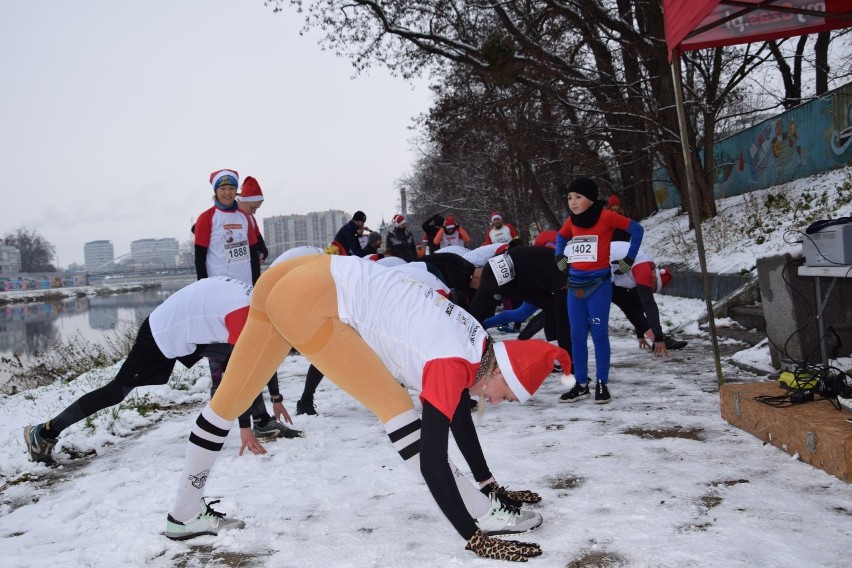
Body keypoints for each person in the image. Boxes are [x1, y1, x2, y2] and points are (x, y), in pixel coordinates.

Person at [166, 254, 571, 562]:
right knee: (397, 409)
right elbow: (431, 462)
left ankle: (184, 513)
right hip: (311, 294)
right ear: (500, 371)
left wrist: (489, 483)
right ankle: (484, 514)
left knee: (230, 400)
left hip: (300, 274)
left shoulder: (477, 343)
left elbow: (458, 417)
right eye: (507, 394)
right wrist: (476, 536)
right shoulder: (451, 364)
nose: (497, 402)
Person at [22, 277, 301, 465]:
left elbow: (261, 356)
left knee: (243, 356)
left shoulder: (259, 301)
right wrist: (243, 428)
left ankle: (263, 420)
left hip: (192, 331)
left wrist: (276, 397)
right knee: (117, 391)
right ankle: (45, 432)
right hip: (161, 332)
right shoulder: (244, 315)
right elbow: (244, 370)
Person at [194, 169, 293, 440]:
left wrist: (256, 288)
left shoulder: (244, 217)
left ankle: (256, 417)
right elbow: (199, 256)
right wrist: (204, 289)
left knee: (249, 353)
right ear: (215, 191)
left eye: (231, 188)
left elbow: (251, 254)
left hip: (244, 294)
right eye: (222, 188)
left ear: (236, 191)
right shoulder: (207, 218)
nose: (226, 192)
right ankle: (222, 415)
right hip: (217, 295)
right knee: (220, 357)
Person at [555, 176, 643, 404]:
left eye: (578, 197)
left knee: (599, 334)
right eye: (569, 198)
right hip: (574, 287)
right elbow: (561, 236)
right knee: (576, 336)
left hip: (599, 286)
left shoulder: (606, 216)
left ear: (591, 199)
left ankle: (602, 382)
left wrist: (629, 259)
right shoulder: (572, 220)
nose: (573, 202)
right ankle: (581, 384)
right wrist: (559, 256)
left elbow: (637, 229)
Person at [467, 245, 571, 358]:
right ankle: (466, 347)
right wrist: (569, 360)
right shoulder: (564, 278)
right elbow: (562, 321)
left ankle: (558, 355)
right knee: (472, 319)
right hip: (498, 274)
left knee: (550, 307)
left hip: (515, 272)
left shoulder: (564, 270)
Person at [610, 241, 687, 355]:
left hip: (607, 265)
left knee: (626, 302)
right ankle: (660, 340)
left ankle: (656, 338)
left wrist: (640, 334)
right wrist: (659, 339)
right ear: (654, 278)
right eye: (652, 289)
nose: (650, 291)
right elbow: (649, 305)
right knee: (624, 302)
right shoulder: (644, 269)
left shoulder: (643, 266)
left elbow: (636, 304)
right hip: (597, 262)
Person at [236, 176, 269, 264]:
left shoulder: (250, 218)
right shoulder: (226, 214)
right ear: (242, 201)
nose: (254, 212)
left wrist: (263, 253)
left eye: (256, 208)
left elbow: (260, 243)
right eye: (252, 207)